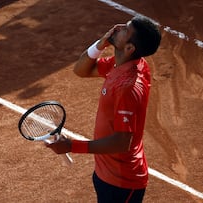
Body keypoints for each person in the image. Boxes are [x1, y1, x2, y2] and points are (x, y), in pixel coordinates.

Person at [45, 15, 161, 203]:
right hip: (105, 173)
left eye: (125, 29)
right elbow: (80, 70)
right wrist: (102, 43)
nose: (118, 27)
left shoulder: (129, 87)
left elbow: (122, 142)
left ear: (130, 48)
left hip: (122, 182)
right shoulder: (121, 65)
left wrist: (72, 146)